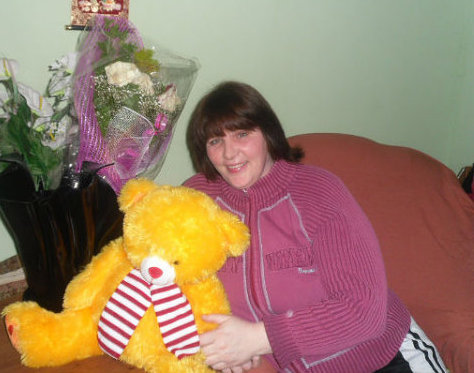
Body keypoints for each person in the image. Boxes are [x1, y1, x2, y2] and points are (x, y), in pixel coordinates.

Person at [183, 81, 447, 373]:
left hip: (381, 356)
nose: (229, 153)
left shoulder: (318, 192)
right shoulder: (196, 202)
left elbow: (365, 312)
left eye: (242, 134)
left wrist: (257, 339)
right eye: (215, 141)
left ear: (268, 133)